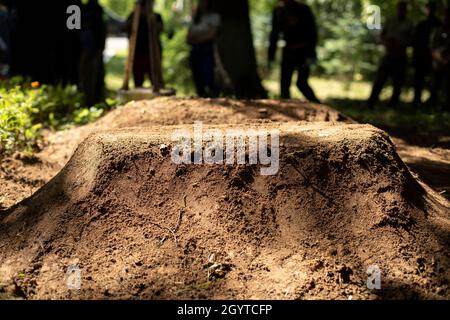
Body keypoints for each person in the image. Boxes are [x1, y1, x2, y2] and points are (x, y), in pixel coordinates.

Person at [268, 0, 320, 103]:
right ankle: (286, 111)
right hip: (288, 52)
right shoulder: (278, 11)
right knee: (284, 85)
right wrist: (270, 56)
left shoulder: (304, 9)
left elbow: (312, 33)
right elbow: (274, 34)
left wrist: (311, 54)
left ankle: (318, 106)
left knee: (301, 83)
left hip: (303, 52)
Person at [367, 1, 413, 108]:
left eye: (403, 9)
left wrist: (401, 43)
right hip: (389, 55)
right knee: (380, 80)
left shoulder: (409, 24)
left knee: (398, 83)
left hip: (401, 56)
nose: (401, 11)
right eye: (400, 8)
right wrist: (388, 42)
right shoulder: (390, 21)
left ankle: (392, 105)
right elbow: (381, 36)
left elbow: (412, 40)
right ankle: (371, 103)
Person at [126, 0, 164, 88]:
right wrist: (136, 17)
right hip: (137, 54)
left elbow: (160, 28)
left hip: (153, 55)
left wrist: (151, 20)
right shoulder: (134, 16)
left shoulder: (156, 17)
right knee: (138, 81)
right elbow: (125, 27)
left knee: (156, 81)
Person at [187, 0, 221, 97]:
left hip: (207, 49)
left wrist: (197, 37)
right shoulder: (195, 18)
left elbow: (211, 35)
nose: (203, 4)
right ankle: (201, 94)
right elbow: (189, 37)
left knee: (208, 73)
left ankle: (211, 94)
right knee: (197, 74)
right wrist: (203, 36)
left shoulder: (214, 17)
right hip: (195, 50)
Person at [413, 1, 442, 107]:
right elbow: (415, 42)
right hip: (421, 58)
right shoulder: (421, 25)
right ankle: (417, 104)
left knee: (434, 83)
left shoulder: (439, 24)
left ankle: (432, 103)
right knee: (418, 83)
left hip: (435, 59)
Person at [79, 0, 106, 106]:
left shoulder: (95, 9)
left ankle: (93, 101)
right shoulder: (82, 10)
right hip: (89, 50)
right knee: (89, 76)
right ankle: (89, 100)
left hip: (93, 50)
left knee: (94, 76)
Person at [429, 7, 450, 110]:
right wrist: (440, 59)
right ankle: (433, 106)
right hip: (437, 63)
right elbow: (431, 47)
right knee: (435, 86)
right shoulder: (437, 31)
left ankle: (444, 107)